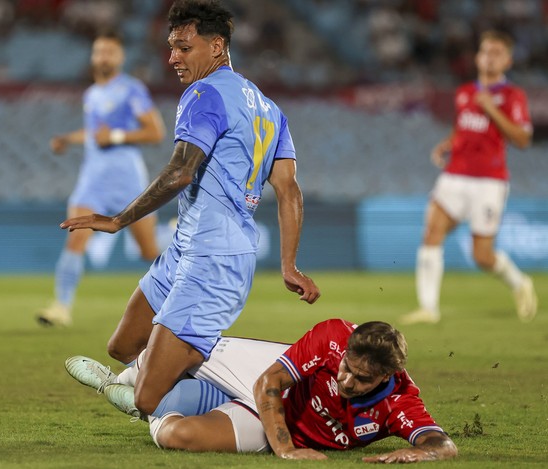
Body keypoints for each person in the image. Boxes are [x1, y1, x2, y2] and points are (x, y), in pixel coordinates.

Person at [60, 0, 320, 417]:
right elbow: (289, 191)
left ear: (217, 46)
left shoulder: (203, 93)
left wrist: (118, 220)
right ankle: (171, 364)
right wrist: (288, 265)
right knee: (123, 346)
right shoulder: (269, 109)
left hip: (213, 260)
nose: (172, 58)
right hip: (188, 247)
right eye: (170, 47)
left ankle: (261, 398)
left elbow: (181, 172)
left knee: (146, 401)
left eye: (184, 47)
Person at [66, 319, 458, 463]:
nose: (346, 382)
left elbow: (442, 444)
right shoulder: (333, 337)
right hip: (274, 375)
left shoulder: (399, 402)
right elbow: (269, 382)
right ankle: (119, 380)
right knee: (185, 351)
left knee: (178, 436)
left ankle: (145, 411)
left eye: (362, 380)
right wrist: (287, 451)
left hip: (278, 420)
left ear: (389, 376)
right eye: (346, 369)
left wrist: (419, 454)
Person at [402, 30, 537, 325]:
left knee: (482, 256)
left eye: (497, 52)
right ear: (477, 57)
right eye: (485, 51)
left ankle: (520, 283)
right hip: (454, 176)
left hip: (489, 181)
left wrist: (492, 109)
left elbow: (523, 139)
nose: (489, 57)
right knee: (432, 232)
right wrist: (447, 144)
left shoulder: (512, 96)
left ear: (508, 60)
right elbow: (462, 127)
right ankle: (428, 309)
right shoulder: (465, 92)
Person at [38, 30, 166, 327]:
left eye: (109, 52)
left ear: (120, 57)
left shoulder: (131, 89)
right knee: (75, 237)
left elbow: (155, 132)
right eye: (99, 52)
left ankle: (177, 301)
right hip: (93, 179)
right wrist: (67, 139)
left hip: (127, 180)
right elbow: (96, 135)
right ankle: (61, 306)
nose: (103, 57)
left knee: (149, 251)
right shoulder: (92, 93)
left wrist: (118, 135)